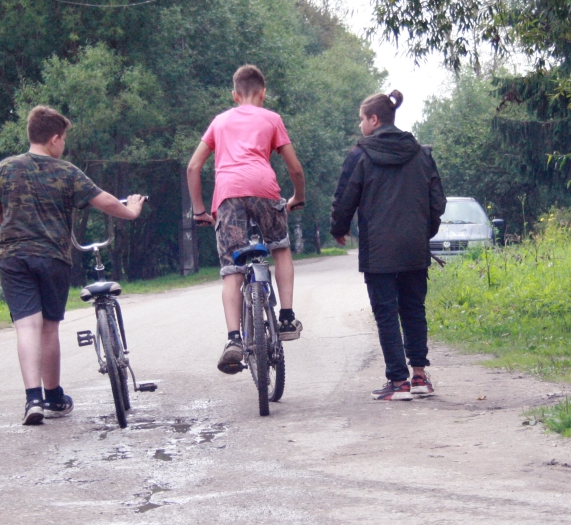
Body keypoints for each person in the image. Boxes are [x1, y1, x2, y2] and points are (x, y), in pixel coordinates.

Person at [0, 106, 146, 425]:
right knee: (49, 328)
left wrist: (17, 222)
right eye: (64, 139)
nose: (64, 145)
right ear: (54, 138)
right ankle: (54, 397)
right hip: (52, 256)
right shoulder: (66, 171)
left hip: (14, 256)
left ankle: (33, 400)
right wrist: (133, 210)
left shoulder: (5, 168)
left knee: (26, 327)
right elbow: (106, 202)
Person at [186, 64, 306, 373]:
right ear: (263, 94)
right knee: (279, 248)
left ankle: (233, 339)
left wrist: (199, 210)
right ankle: (287, 317)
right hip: (265, 190)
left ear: (235, 95)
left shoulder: (219, 121)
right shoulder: (272, 119)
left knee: (232, 269)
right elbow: (294, 168)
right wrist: (298, 197)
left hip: (227, 196)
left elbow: (193, 167)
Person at [330, 90, 445, 401]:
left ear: (374, 119)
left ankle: (398, 381)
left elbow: (345, 198)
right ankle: (419, 376)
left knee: (386, 312)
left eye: (362, 120)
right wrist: (424, 232)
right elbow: (437, 202)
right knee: (413, 309)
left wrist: (338, 229)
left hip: (378, 248)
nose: (360, 126)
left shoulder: (360, 155)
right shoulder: (422, 154)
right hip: (414, 246)